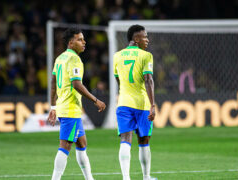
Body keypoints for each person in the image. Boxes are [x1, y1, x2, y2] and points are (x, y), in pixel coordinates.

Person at [47, 28, 106, 180]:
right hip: (70, 108)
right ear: (71, 42)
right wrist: (95, 100)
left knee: (82, 144)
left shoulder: (60, 58)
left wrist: (53, 107)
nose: (84, 42)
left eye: (83, 39)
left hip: (65, 107)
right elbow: (76, 84)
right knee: (65, 147)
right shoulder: (74, 59)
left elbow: (53, 84)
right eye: (80, 39)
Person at [113, 24, 156, 180]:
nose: (147, 40)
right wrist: (152, 105)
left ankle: (126, 178)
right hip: (142, 104)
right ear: (136, 39)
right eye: (145, 36)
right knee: (144, 140)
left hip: (123, 103)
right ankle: (146, 177)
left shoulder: (117, 56)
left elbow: (118, 79)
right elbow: (148, 80)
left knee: (125, 139)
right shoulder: (146, 56)